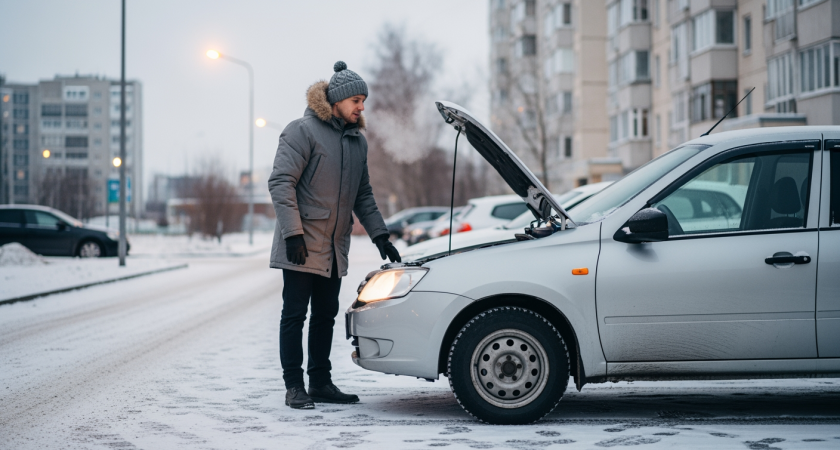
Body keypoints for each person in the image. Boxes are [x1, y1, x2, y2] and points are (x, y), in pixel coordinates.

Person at [268, 61, 402, 410]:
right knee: (295, 314)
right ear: (337, 100)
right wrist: (293, 234)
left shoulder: (357, 142)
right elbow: (281, 183)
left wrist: (380, 236)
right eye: (356, 100)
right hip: (300, 243)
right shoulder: (302, 131)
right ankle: (294, 386)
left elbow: (363, 195)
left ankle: (321, 382)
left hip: (333, 246)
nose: (361, 107)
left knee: (325, 315)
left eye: (363, 101)